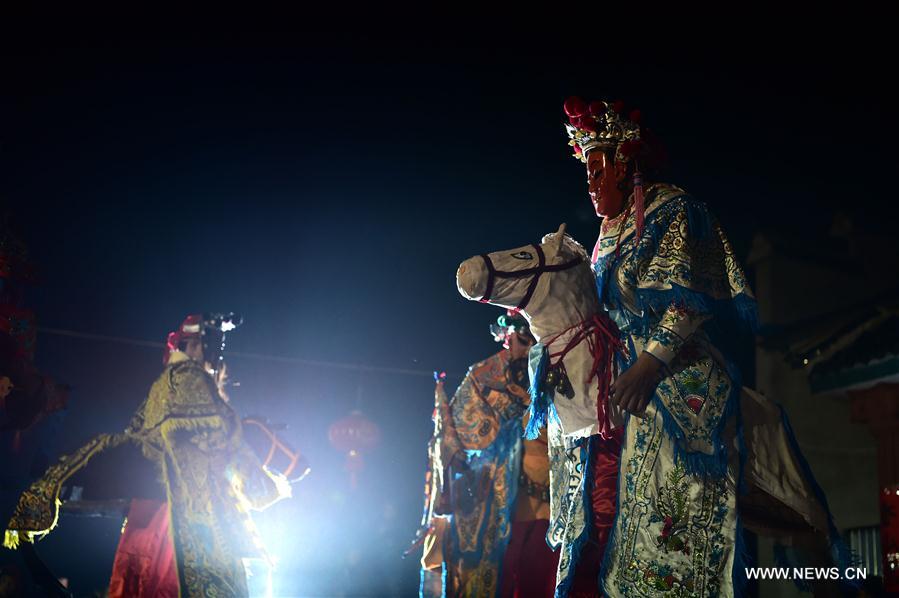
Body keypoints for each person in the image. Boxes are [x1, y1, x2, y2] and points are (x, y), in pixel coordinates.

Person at [538, 97, 850, 597]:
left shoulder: (675, 210)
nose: (592, 183)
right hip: (613, 369)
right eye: (587, 174)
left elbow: (691, 299)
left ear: (625, 164)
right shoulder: (602, 237)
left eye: (599, 169)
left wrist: (648, 363)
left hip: (671, 364)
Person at [4, 313, 290, 597]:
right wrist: (262, 485)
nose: (213, 355)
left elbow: (136, 431)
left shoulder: (162, 384)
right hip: (182, 515)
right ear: (193, 346)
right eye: (209, 345)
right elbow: (223, 437)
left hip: (148, 516)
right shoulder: (190, 377)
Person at [417, 311, 559, 597]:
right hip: (497, 505)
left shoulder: (559, 374)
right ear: (506, 337)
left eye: (529, 337)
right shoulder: (484, 377)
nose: (522, 346)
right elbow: (452, 438)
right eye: (516, 337)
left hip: (552, 505)